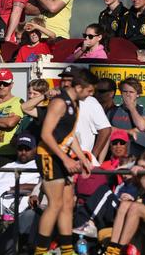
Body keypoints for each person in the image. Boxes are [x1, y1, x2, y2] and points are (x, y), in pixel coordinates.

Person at [33, 68, 96, 255]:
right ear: (78, 87)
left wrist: (83, 158)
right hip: (49, 156)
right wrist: (66, 159)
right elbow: (46, 134)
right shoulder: (59, 102)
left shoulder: (75, 104)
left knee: (69, 202)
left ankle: (67, 249)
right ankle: (41, 250)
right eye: (89, 90)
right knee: (55, 204)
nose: (91, 94)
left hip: (62, 156)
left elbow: (70, 136)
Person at [105, 150, 145, 255]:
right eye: (139, 166)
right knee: (124, 204)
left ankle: (121, 250)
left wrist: (140, 175)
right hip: (143, 217)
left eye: (143, 167)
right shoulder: (139, 180)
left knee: (135, 208)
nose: (140, 169)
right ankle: (112, 249)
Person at [58, 66, 112, 160]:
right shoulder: (56, 100)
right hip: (59, 156)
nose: (65, 84)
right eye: (63, 80)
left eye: (69, 80)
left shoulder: (90, 101)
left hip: (81, 159)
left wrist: (92, 157)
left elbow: (105, 130)